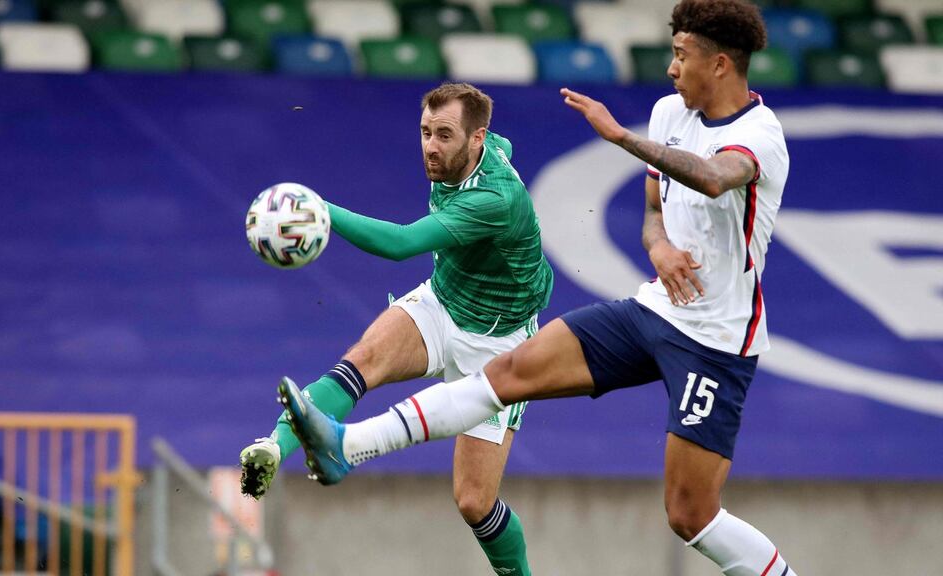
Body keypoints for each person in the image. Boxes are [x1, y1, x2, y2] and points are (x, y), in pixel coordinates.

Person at [281, 1, 799, 574]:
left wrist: (618, 137)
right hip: (655, 309)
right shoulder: (668, 113)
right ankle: (345, 446)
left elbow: (712, 176)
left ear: (721, 64)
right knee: (507, 374)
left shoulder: (761, 134)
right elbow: (655, 210)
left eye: (681, 56)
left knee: (689, 514)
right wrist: (659, 248)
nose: (671, 69)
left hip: (718, 343)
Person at [241, 82, 553, 576]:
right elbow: (502, 144)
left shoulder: (496, 199)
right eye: (426, 132)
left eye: (444, 135)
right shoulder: (481, 148)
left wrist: (320, 210)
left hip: (499, 341)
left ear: (477, 139)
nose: (431, 145)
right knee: (362, 360)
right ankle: (273, 447)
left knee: (474, 502)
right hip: (443, 301)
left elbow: (401, 244)